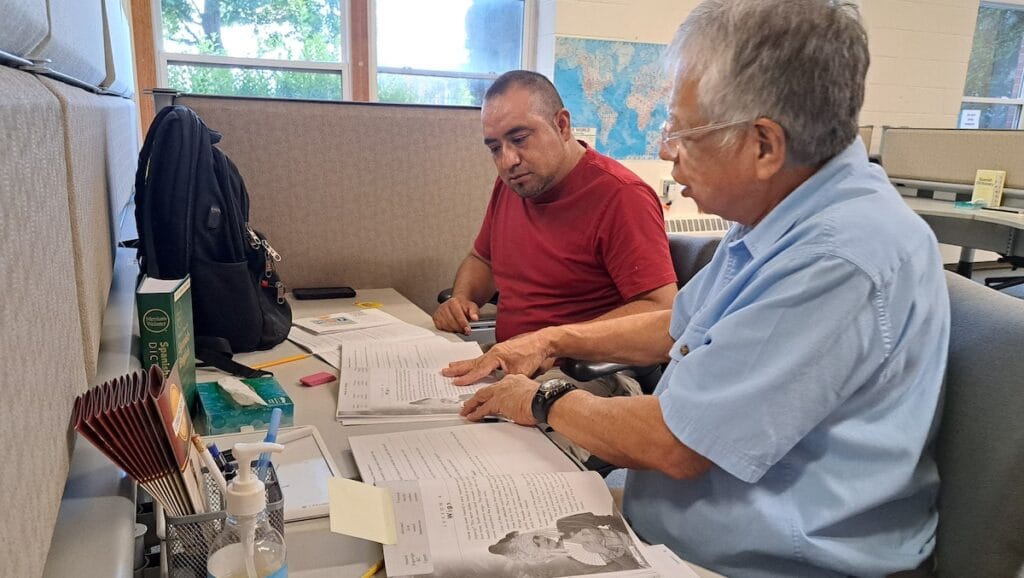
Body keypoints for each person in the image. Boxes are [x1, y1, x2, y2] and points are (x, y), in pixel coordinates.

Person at [444, 1, 950, 576]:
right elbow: (680, 322)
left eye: (683, 131)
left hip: (766, 561)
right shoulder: (777, 215)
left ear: (764, 145)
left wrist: (539, 398)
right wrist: (552, 342)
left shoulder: (838, 255)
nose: (664, 150)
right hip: (671, 522)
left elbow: (676, 445)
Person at [433, 69, 677, 351]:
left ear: (562, 125)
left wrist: (549, 343)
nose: (507, 160)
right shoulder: (513, 186)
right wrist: (463, 299)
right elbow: (482, 260)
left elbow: (662, 312)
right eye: (495, 148)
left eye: (520, 139)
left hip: (581, 371)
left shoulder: (622, 196)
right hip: (511, 360)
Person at [488, 513, 643, 576]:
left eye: (537, 537)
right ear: (540, 556)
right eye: (537, 545)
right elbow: (633, 569)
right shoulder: (580, 567)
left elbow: (611, 519)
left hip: (638, 527)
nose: (542, 539)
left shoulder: (565, 523)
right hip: (644, 551)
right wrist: (604, 551)